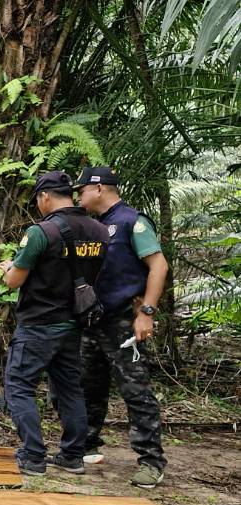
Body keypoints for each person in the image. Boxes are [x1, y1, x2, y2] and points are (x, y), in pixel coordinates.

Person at [0, 171, 109, 477]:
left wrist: (8, 268)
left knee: (18, 386)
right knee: (70, 388)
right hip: (72, 324)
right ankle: (73, 456)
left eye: (37, 199)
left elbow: (14, 280)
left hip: (38, 324)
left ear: (45, 197)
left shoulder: (40, 232)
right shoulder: (100, 231)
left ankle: (33, 456)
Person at [75, 165, 169, 487]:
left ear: (99, 188)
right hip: (91, 320)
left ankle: (151, 462)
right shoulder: (93, 225)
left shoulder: (132, 222)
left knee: (135, 391)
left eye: (82, 189)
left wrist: (147, 312)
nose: (79, 195)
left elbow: (158, 265)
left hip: (121, 323)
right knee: (89, 386)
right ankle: (85, 447)